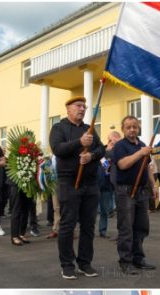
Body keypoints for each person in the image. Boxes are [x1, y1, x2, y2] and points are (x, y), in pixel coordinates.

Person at [50, 96, 105, 280]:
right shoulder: (58, 128)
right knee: (68, 225)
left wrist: (91, 156)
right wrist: (80, 143)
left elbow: (101, 149)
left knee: (89, 225)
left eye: (84, 107)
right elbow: (58, 149)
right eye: (78, 106)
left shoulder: (89, 129)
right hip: (68, 182)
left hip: (90, 183)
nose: (82, 109)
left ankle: (85, 263)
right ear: (68, 109)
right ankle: (67, 264)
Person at [112, 116, 159, 274]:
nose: (132, 129)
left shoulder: (143, 145)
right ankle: (125, 261)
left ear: (138, 128)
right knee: (126, 228)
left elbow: (147, 168)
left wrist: (154, 185)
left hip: (142, 191)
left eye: (135, 127)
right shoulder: (120, 146)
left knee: (141, 227)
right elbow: (122, 164)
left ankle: (138, 258)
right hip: (125, 191)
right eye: (128, 127)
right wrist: (140, 153)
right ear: (123, 129)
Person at [97, 131, 120, 239]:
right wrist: (107, 152)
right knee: (91, 209)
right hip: (97, 183)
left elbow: (111, 167)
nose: (109, 142)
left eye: (111, 139)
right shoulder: (103, 150)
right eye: (108, 139)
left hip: (108, 184)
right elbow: (103, 162)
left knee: (104, 210)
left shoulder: (119, 150)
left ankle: (102, 230)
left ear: (117, 138)